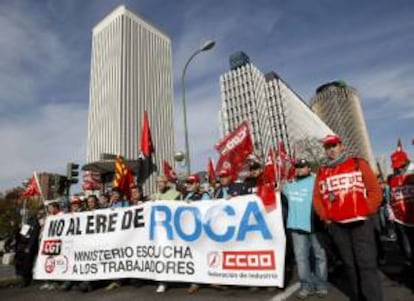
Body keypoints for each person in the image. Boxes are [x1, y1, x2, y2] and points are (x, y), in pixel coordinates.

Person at [313, 134, 383, 301]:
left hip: (361, 224)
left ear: (341, 146)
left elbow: (375, 191)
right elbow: (317, 197)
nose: (331, 150)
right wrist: (326, 217)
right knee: (350, 266)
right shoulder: (322, 171)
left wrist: (365, 210)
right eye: (327, 147)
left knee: (366, 265)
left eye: (334, 146)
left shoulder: (358, 163)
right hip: (337, 226)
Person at [283, 158, 328, 299]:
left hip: (316, 225)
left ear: (309, 168)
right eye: (297, 167)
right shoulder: (289, 185)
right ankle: (306, 286)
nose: (299, 169)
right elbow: (277, 190)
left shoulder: (317, 181)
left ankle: (321, 285)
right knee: (301, 259)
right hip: (297, 226)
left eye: (302, 167)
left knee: (319, 256)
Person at [151, 175, 181, 293]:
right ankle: (163, 282)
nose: (159, 184)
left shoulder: (175, 194)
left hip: (172, 229)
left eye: (161, 182)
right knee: (161, 255)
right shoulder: (155, 195)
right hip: (159, 231)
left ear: (166, 183)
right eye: (157, 182)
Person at [388, 142, 414, 269]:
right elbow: (392, 198)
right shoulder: (392, 180)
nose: (398, 169)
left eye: (400, 166)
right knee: (407, 248)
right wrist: (391, 212)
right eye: (396, 167)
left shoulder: (412, 176)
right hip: (400, 219)